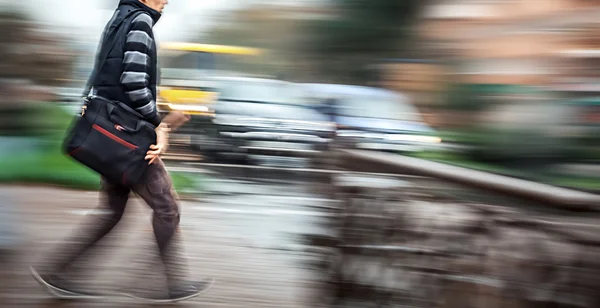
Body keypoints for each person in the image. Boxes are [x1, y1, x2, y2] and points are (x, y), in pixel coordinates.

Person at [30, 0, 213, 302]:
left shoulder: (120, 18)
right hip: (128, 138)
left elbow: (113, 80)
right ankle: (164, 286)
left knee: (113, 211)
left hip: (111, 136)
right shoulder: (140, 21)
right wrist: (161, 123)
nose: (167, 0)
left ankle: (57, 274)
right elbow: (133, 83)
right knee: (166, 207)